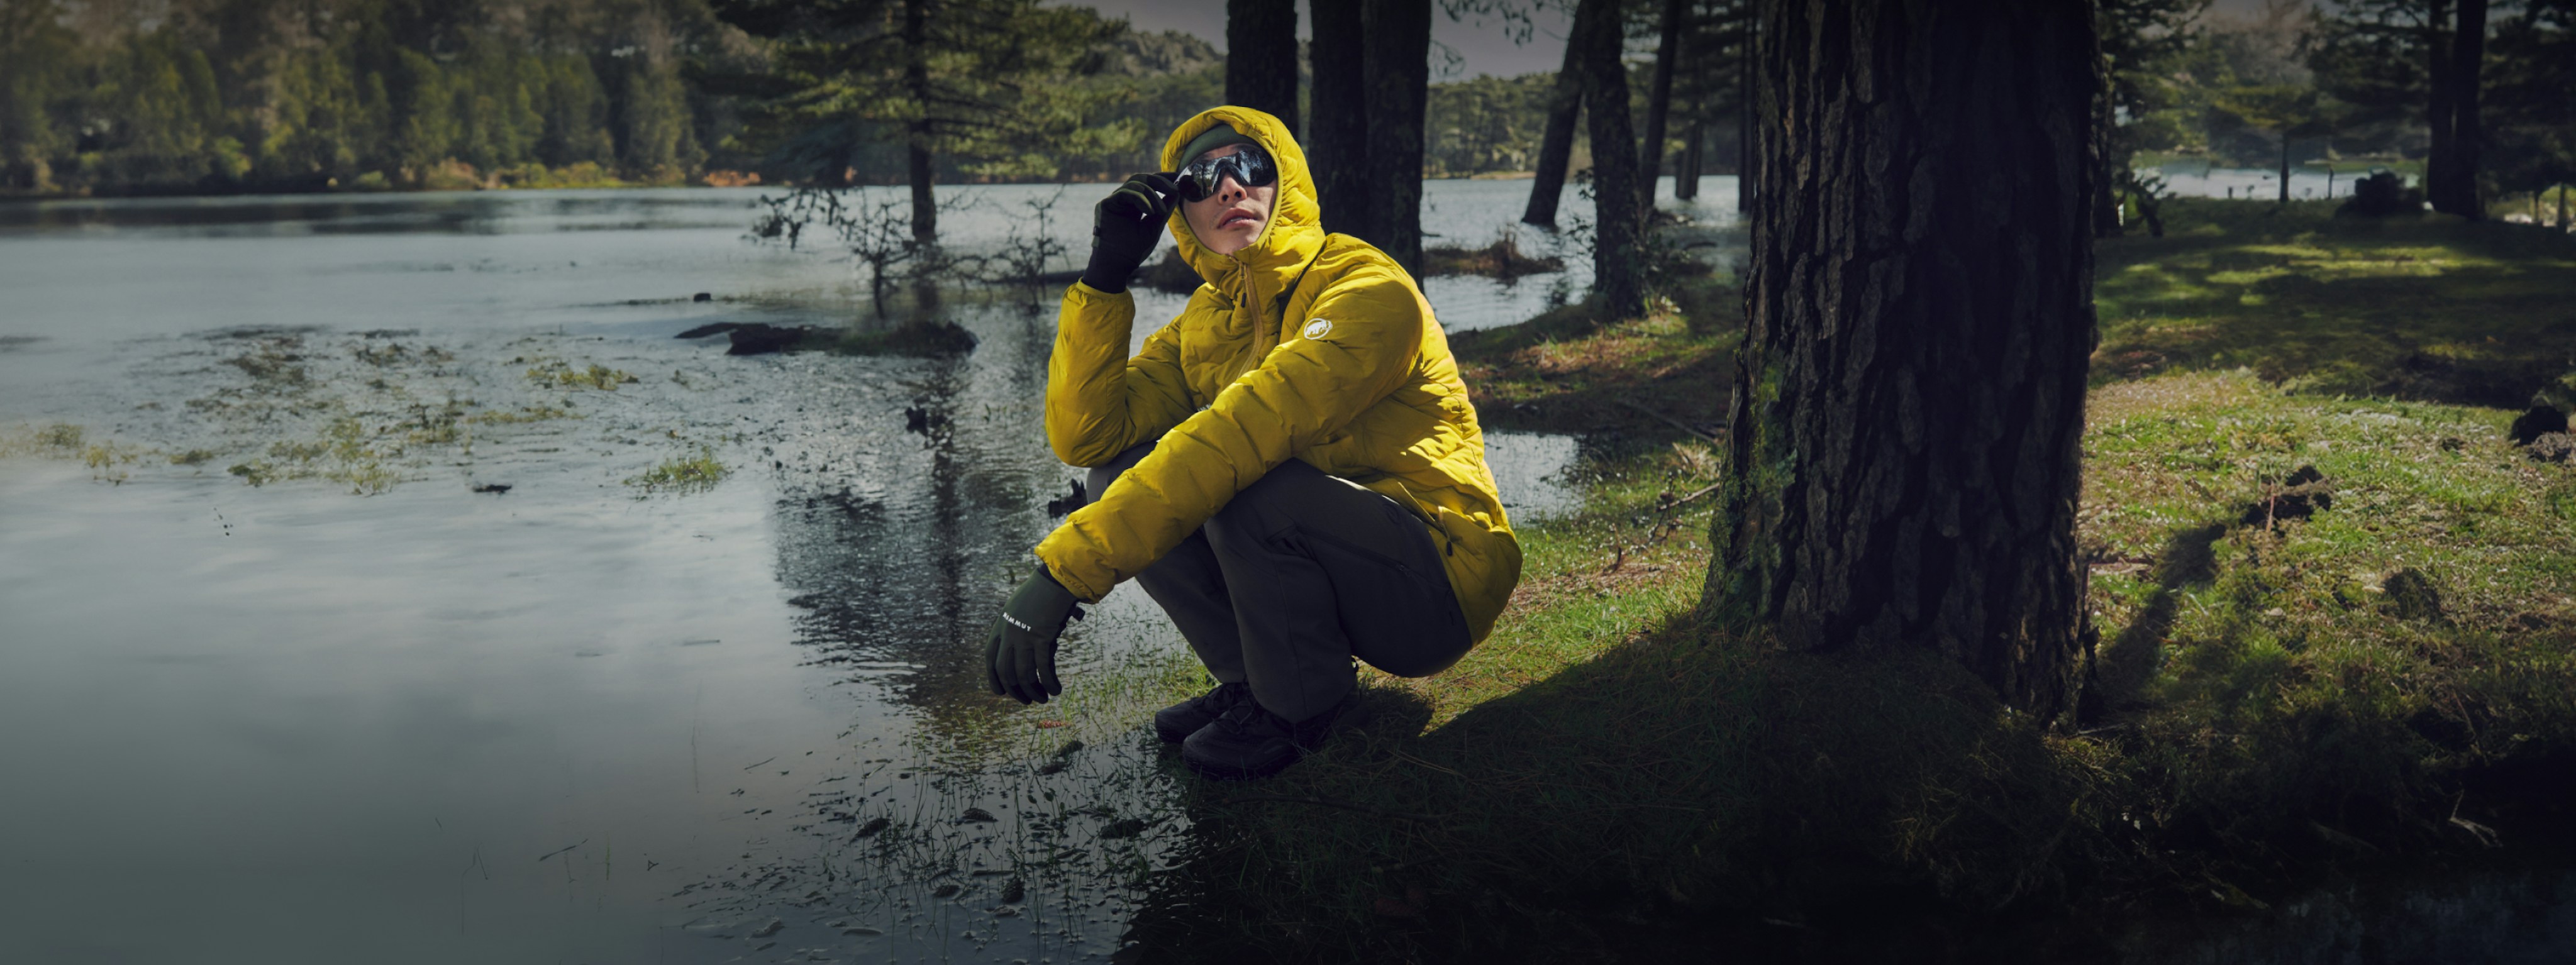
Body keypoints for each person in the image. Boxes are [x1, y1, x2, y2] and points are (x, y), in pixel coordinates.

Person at [984, 106, 1521, 780]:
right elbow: (1088, 436)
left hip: (1437, 583)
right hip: (1342, 553)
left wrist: (1063, 571)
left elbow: (1242, 433)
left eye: (1248, 167)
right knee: (1114, 475)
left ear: (1285, 180)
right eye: (1201, 180)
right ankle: (1253, 683)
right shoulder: (1205, 320)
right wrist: (1105, 277)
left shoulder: (1369, 289)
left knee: (1247, 481)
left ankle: (1307, 706)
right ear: (1180, 212)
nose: (1229, 188)